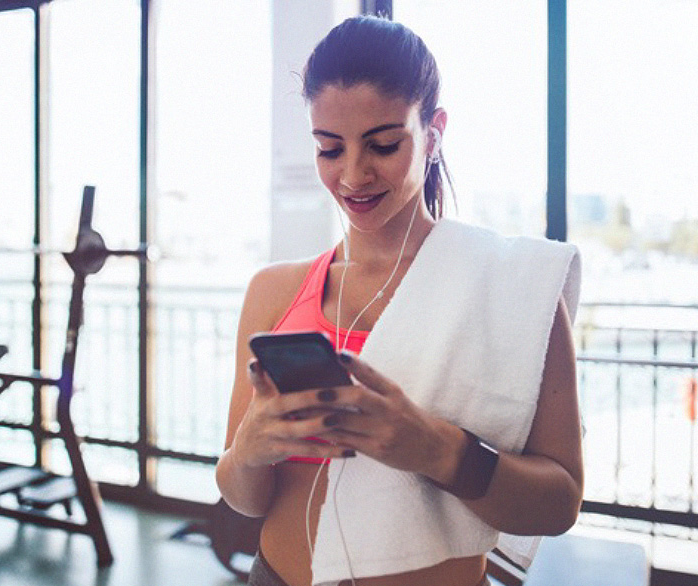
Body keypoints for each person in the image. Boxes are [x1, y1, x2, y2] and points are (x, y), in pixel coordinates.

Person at [215, 15, 583, 586]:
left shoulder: (511, 288)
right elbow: (241, 498)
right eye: (329, 149)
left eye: (383, 144)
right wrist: (249, 450)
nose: (353, 174)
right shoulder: (274, 291)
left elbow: (559, 504)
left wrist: (437, 450)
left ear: (434, 132)